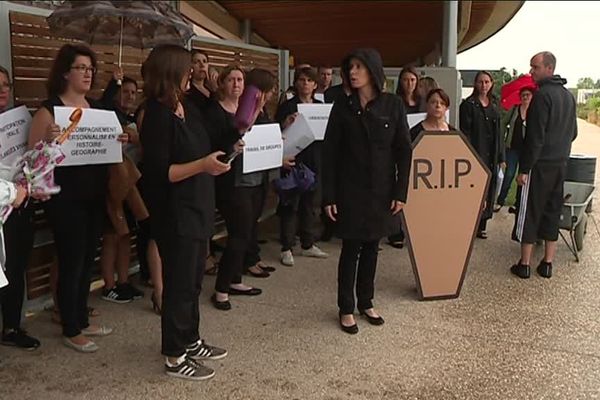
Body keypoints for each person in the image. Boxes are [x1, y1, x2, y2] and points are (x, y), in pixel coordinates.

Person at [140, 44, 229, 380]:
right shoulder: (156, 116)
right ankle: (174, 356)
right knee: (178, 284)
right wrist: (202, 165)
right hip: (175, 212)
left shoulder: (186, 106)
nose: (193, 71)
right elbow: (162, 172)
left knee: (192, 281)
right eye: (187, 67)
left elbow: (208, 140)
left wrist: (227, 148)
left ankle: (190, 339)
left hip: (199, 205)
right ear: (171, 71)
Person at [28, 44, 123, 352]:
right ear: (66, 72)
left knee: (87, 260)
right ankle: (70, 326)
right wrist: (47, 141)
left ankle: (80, 316)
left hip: (95, 194)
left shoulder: (96, 109)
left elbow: (106, 148)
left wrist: (118, 138)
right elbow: (30, 161)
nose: (88, 73)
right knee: (71, 260)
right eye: (81, 67)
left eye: (90, 68)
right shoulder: (49, 110)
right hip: (64, 198)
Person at [322, 48, 412, 334]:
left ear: (373, 70)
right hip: (349, 190)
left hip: (382, 190)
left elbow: (404, 151)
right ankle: (346, 307)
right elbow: (330, 153)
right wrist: (329, 195)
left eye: (359, 67)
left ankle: (366, 301)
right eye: (350, 67)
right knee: (351, 248)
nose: (352, 72)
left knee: (373, 246)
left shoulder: (393, 105)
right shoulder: (342, 106)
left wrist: (401, 191)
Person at [204, 65, 266, 311]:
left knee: (248, 230)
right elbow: (214, 142)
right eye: (231, 79)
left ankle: (236, 279)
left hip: (252, 178)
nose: (236, 84)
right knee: (239, 235)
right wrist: (232, 143)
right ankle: (221, 289)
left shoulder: (250, 109)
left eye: (240, 80)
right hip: (230, 182)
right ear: (222, 83)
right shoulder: (214, 111)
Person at [511, 51, 577, 279]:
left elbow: (535, 138)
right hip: (560, 163)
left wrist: (525, 169)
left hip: (540, 165)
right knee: (552, 210)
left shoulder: (541, 96)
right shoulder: (568, 97)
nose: (531, 71)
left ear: (549, 68)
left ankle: (525, 264)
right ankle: (547, 264)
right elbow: (574, 133)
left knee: (529, 210)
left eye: (534, 67)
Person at [0, 65, 40, 350]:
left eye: (6, 84)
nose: (2, 90)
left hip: (21, 205)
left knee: (16, 267)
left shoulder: (21, 123)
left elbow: (36, 157)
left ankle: (12, 326)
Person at [98, 71, 147, 304]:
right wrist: (113, 82)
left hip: (131, 185)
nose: (129, 96)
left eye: (133, 92)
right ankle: (109, 286)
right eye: (124, 92)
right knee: (111, 236)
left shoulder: (134, 117)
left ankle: (124, 281)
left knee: (127, 235)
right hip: (113, 184)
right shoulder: (107, 115)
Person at [275, 67, 329, 267]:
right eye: (301, 79)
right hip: (293, 159)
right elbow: (276, 131)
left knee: (311, 205)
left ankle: (308, 244)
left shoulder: (320, 106)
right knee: (290, 204)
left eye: (309, 80)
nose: (305, 83)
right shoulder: (287, 106)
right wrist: (285, 123)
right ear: (296, 83)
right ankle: (286, 247)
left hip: (315, 159)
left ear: (315, 85)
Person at [459, 70, 505, 239]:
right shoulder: (468, 105)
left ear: (491, 84)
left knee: (489, 188)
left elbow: (500, 133)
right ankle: (471, 223)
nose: (483, 85)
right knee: (475, 187)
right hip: (476, 151)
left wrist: (501, 157)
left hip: (492, 152)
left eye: (487, 82)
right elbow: (466, 132)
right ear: (475, 84)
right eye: (480, 82)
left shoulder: (494, 104)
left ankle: (482, 224)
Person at [495, 87, 534, 210]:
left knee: (522, 176)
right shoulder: (515, 110)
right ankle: (501, 200)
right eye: (523, 95)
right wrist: (502, 137)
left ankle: (518, 203)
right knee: (509, 174)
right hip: (512, 148)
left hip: (526, 150)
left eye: (528, 95)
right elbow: (503, 123)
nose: (526, 97)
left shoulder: (534, 112)